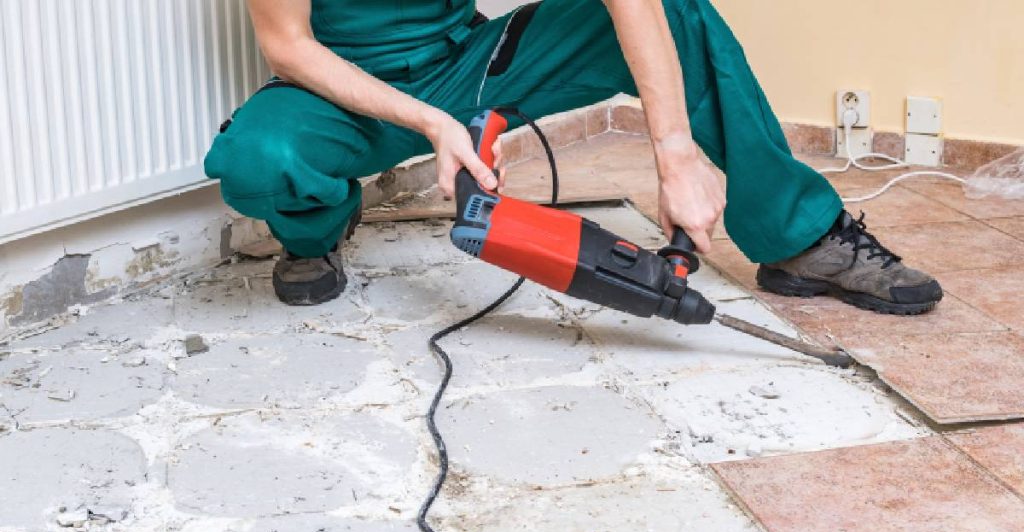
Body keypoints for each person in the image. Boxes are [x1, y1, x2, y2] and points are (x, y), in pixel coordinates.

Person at [204, 0, 942, 315]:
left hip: (466, 65)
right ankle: (315, 233)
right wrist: (431, 123)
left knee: (679, 10)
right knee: (257, 158)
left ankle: (797, 235)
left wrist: (675, 159)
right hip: (340, 89)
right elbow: (288, 45)